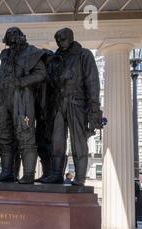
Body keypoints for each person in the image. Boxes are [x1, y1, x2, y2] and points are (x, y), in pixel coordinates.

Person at [40, 28, 102, 186]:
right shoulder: (56, 58)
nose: (60, 42)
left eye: (62, 39)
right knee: (57, 141)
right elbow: (50, 84)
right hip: (59, 103)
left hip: (77, 103)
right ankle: (56, 174)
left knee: (79, 141)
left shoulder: (84, 55)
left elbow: (92, 83)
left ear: (71, 37)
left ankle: (80, 177)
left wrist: (94, 109)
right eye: (57, 40)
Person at [0, 27, 47, 184]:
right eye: (9, 35)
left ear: (21, 36)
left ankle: (29, 174)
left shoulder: (32, 52)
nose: (12, 37)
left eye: (15, 34)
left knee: (26, 135)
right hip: (3, 100)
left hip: (21, 99)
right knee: (5, 136)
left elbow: (41, 73)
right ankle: (7, 172)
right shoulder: (5, 55)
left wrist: (22, 81)